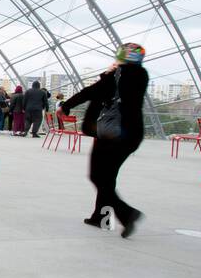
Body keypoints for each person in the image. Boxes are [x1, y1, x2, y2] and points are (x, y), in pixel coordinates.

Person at [61, 44, 149, 238]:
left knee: (98, 177)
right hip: (130, 135)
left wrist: (66, 106)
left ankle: (127, 214)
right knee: (107, 178)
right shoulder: (141, 75)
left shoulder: (119, 75)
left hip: (112, 134)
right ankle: (101, 217)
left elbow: (91, 92)